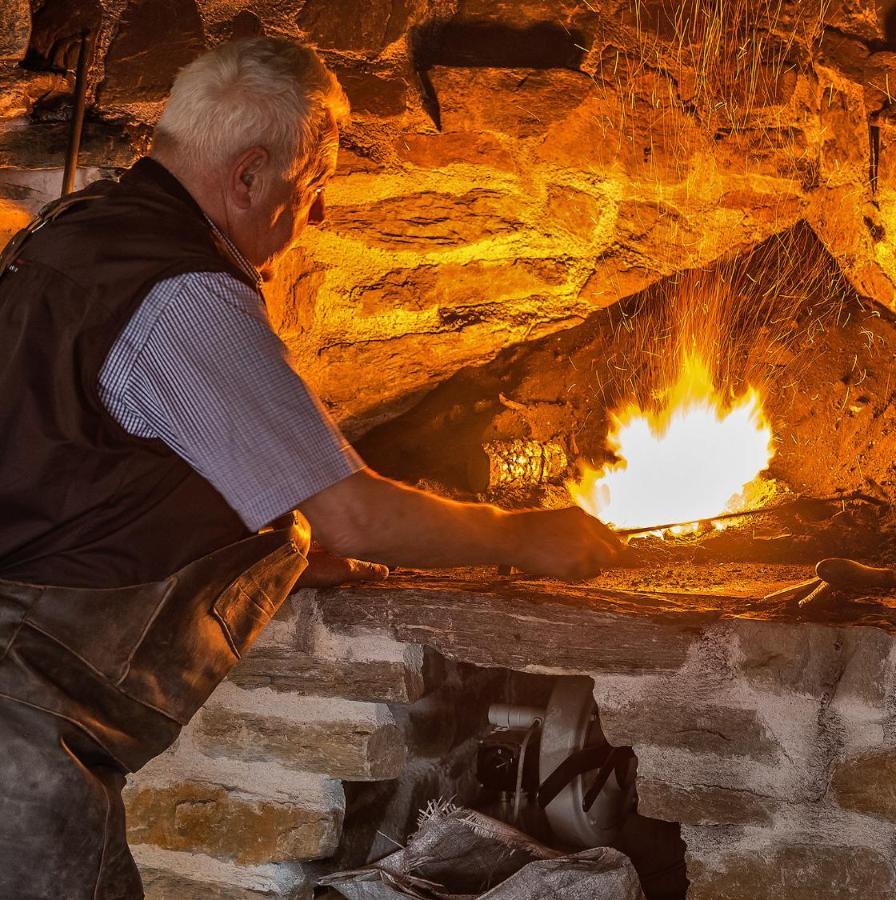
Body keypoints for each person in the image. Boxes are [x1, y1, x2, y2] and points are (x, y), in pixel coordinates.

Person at [0, 37, 621, 899]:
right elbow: (355, 515)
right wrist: (521, 537)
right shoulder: (178, 296)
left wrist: (278, 554)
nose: (319, 218)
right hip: (21, 745)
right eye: (313, 189)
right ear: (250, 175)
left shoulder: (71, 234)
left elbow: (108, 469)